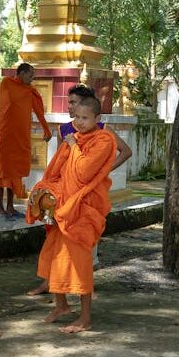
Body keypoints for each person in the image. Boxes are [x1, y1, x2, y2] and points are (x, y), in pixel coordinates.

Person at [27, 85, 132, 296]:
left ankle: (84, 286)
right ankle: (50, 283)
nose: (71, 108)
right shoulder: (65, 129)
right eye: (70, 103)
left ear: (88, 107)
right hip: (66, 193)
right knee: (55, 241)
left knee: (83, 244)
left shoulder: (102, 131)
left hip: (87, 193)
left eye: (74, 103)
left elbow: (125, 152)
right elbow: (59, 162)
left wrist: (102, 172)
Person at [26, 96, 115, 333]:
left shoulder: (103, 140)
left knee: (80, 263)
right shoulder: (71, 138)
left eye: (86, 118)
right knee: (55, 256)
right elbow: (56, 170)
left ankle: (85, 317)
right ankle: (61, 306)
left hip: (83, 208)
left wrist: (74, 146)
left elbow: (84, 173)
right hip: (64, 206)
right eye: (77, 117)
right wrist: (46, 191)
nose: (80, 122)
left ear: (98, 118)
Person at [0, 63, 53, 219]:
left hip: (20, 136)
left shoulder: (30, 91)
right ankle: (0, 207)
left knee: (16, 172)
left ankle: (10, 206)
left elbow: (39, 112)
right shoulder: (6, 83)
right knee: (2, 172)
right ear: (21, 74)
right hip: (5, 134)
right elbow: (3, 105)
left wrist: (46, 129)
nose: (32, 79)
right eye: (30, 75)